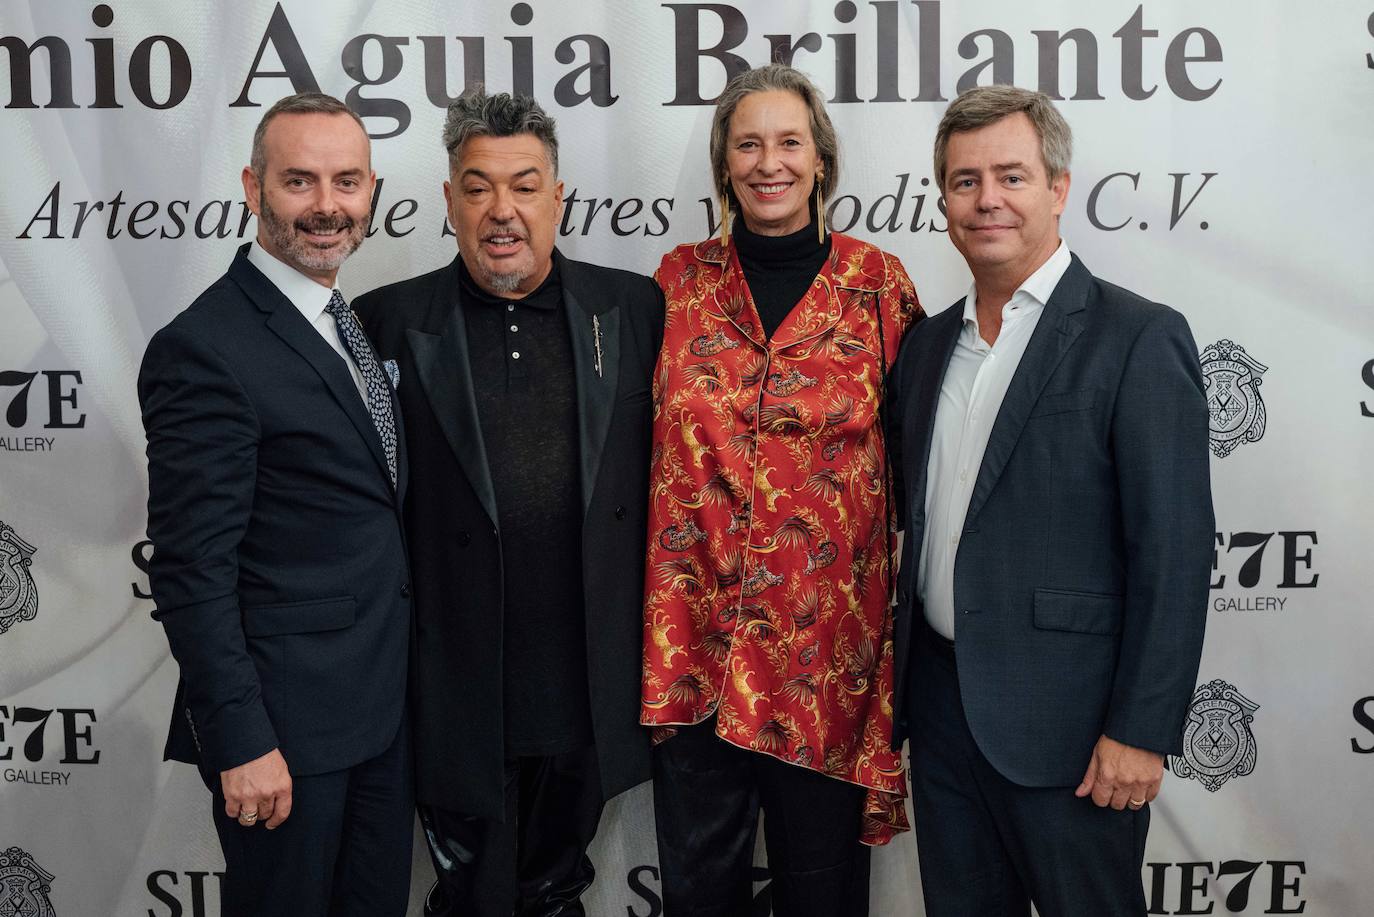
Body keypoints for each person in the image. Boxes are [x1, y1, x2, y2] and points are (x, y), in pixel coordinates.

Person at [888, 84, 1213, 916]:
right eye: (964, 181)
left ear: (1059, 188)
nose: (987, 199)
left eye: (1011, 176)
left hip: (1075, 734)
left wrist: (1141, 728)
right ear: (944, 200)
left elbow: (1173, 553)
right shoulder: (925, 347)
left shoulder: (1136, 336)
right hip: (943, 713)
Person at [355, 89, 661, 917]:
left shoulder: (633, 311)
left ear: (558, 196)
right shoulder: (382, 322)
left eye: (524, 185)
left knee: (558, 890)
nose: (502, 210)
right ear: (448, 200)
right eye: (479, 186)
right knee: (475, 894)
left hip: (586, 681)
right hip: (453, 686)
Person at [641, 63, 923, 916]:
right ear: (725, 163)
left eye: (789, 141)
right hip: (694, 654)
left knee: (824, 896)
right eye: (748, 142)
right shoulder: (675, 283)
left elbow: (915, 466)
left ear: (821, 160)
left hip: (826, 662)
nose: (770, 161)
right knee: (699, 899)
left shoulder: (879, 285)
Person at [138, 93, 412, 916]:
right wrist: (243, 739)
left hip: (380, 719)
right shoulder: (204, 347)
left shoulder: (347, 321)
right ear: (253, 189)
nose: (327, 206)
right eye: (300, 181)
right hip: (283, 739)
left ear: (373, 190)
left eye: (346, 181)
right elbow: (191, 569)